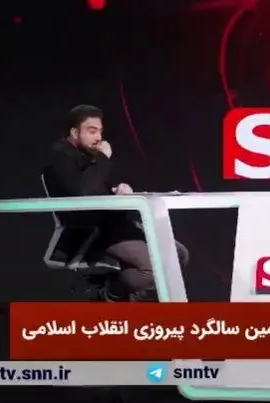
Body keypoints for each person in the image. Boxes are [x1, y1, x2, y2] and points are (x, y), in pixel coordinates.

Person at [42, 105, 189, 302]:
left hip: (115, 224)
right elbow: (82, 190)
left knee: (178, 254)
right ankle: (105, 294)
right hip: (92, 232)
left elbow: (94, 188)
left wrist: (118, 190)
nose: (98, 137)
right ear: (74, 133)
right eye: (92, 131)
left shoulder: (88, 157)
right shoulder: (61, 157)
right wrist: (103, 158)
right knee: (152, 267)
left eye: (100, 132)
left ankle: (124, 294)